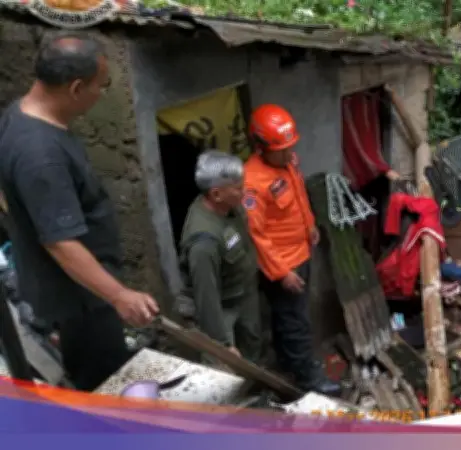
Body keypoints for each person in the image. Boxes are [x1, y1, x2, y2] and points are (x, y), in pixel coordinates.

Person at [0, 34, 159, 391]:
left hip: (76, 291)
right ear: (75, 88)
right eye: (100, 87)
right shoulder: (41, 156)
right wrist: (119, 296)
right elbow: (61, 243)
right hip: (81, 301)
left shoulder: (18, 114)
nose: (102, 94)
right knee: (104, 385)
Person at [243, 104, 339, 394]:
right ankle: (308, 379)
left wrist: (310, 227)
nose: (288, 154)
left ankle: (289, 363)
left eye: (290, 147)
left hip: (301, 253)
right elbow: (255, 235)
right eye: (281, 150)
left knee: (291, 317)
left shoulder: (288, 163)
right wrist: (282, 273)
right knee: (295, 321)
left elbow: (297, 197)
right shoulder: (252, 183)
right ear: (261, 147)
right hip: (283, 265)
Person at [178, 150, 261, 362]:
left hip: (243, 293)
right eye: (238, 188)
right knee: (223, 367)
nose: (244, 192)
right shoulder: (204, 242)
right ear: (216, 194)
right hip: (222, 308)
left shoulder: (230, 207)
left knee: (253, 347)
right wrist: (221, 344)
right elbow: (207, 297)